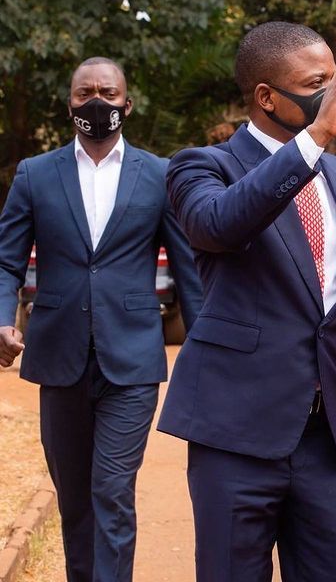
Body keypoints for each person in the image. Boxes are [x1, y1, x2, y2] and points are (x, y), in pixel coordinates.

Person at [157, 21, 336, 582]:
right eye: (319, 81)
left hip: (332, 440)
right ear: (266, 96)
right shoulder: (201, 167)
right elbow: (220, 225)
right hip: (236, 435)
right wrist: (312, 140)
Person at [0, 57, 202, 582]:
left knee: (112, 492)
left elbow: (188, 270)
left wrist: (204, 349)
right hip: (57, 356)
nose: (96, 101)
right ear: (70, 104)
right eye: (85, 91)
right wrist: (2, 319)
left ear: (126, 105)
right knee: (75, 501)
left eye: (107, 93)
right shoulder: (34, 174)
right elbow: (6, 261)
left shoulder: (160, 175)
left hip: (131, 361)